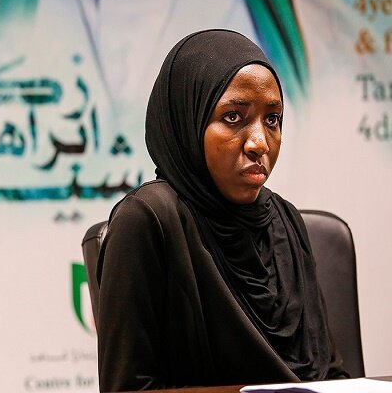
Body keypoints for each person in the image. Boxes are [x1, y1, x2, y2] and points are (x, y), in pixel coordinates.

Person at [95, 29, 348, 392]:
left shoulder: (286, 220)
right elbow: (130, 388)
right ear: (189, 118)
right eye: (233, 117)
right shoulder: (149, 219)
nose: (259, 143)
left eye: (272, 119)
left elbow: (329, 373)